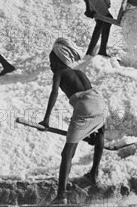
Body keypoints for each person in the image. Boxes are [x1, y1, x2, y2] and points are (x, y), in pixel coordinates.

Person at [39, 38, 107, 205]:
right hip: (100, 104)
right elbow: (89, 97)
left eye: (52, 60)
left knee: (67, 153)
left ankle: (61, 195)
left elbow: (54, 93)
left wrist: (46, 119)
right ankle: (94, 173)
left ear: (60, 59)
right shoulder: (80, 73)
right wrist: (89, 132)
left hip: (84, 108)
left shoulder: (59, 73)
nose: (50, 64)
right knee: (100, 134)